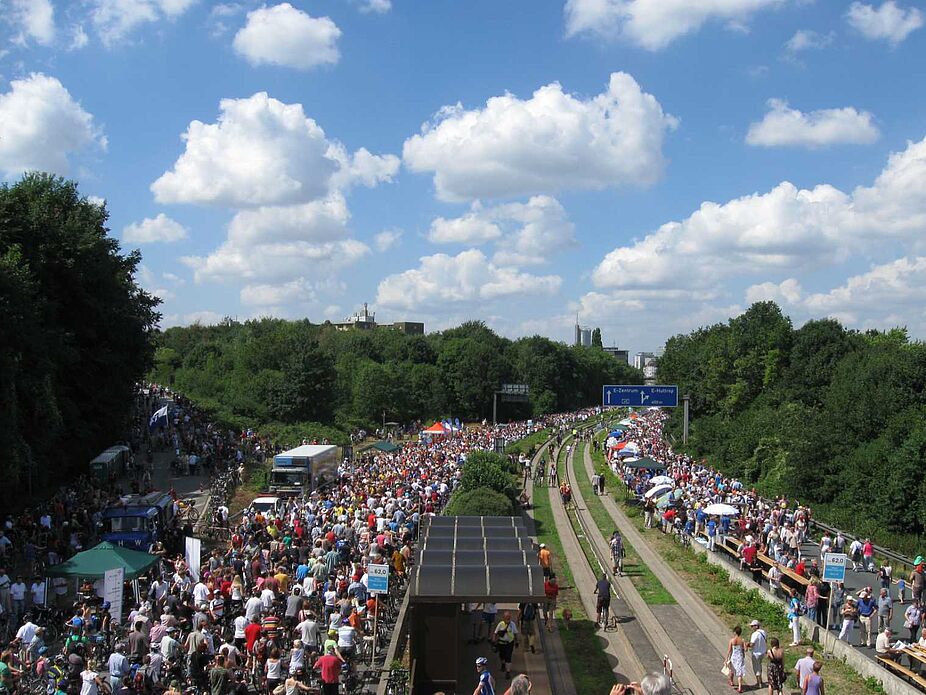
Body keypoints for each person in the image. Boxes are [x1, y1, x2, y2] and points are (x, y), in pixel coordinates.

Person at [492, 612, 518, 680]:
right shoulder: (501, 624)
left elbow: (515, 633)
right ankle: (503, 664)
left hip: (509, 643)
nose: (508, 619)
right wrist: (493, 642)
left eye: (509, 618)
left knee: (508, 657)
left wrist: (516, 641)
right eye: (506, 618)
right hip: (501, 643)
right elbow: (495, 633)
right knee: (502, 655)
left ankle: (508, 672)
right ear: (503, 618)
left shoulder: (512, 624)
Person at [747, 619, 767, 688]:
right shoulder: (764, 632)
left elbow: (752, 644)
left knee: (756, 668)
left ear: (756, 626)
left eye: (752, 626)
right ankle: (760, 680)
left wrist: (747, 644)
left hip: (756, 653)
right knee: (760, 666)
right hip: (763, 652)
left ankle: (759, 683)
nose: (751, 627)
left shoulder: (754, 634)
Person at [725, 626, 746, 693]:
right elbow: (745, 649)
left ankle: (731, 682)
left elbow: (729, 650)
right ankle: (740, 687)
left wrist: (726, 659)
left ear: (735, 632)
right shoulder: (742, 640)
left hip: (733, 656)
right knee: (739, 673)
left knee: (732, 669)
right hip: (740, 657)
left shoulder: (732, 640)